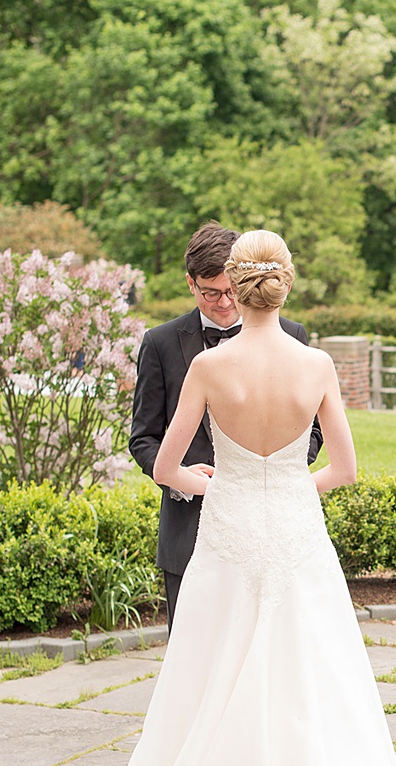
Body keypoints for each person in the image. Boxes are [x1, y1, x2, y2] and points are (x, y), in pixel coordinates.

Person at [21, 230, 396, 766]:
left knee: (208, 685)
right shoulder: (314, 363)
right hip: (292, 540)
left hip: (225, 543)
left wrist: (214, 485)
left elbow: (165, 463)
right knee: (311, 687)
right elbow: (342, 468)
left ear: (237, 284)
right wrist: (286, 490)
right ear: (286, 285)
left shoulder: (210, 366)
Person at [128, 222, 322, 629]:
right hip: (190, 529)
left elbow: (314, 430)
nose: (223, 302)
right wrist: (177, 479)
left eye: (230, 291)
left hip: (274, 525)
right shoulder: (160, 344)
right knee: (195, 655)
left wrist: (276, 470)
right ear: (190, 284)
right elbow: (144, 436)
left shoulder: (293, 336)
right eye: (209, 292)